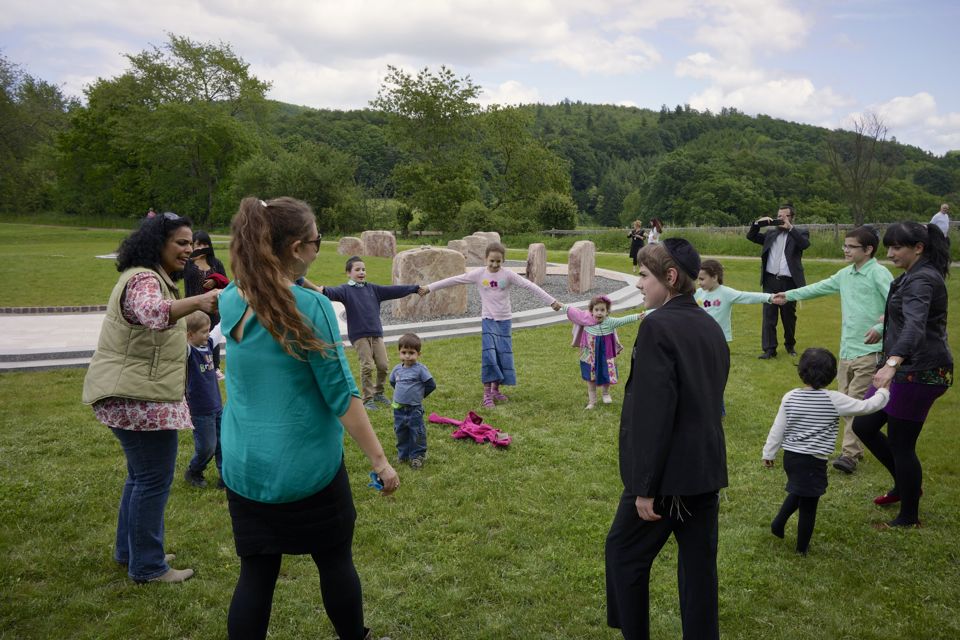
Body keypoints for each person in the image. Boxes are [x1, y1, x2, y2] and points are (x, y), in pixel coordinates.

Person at [219, 197, 397, 640]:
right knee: (335, 562)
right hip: (307, 471)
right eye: (318, 241)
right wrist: (380, 462)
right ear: (298, 247)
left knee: (256, 575)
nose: (320, 249)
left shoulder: (229, 297)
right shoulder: (310, 306)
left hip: (245, 467)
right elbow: (342, 395)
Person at [82, 212, 221, 583]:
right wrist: (199, 300)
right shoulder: (145, 278)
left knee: (140, 477)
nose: (188, 250)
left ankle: (131, 550)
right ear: (156, 243)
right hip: (136, 397)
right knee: (152, 479)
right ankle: (147, 565)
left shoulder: (151, 277)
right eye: (180, 242)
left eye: (191, 243)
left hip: (131, 393)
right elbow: (154, 314)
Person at [605, 238, 729, 640]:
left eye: (643, 275)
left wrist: (644, 488)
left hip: (667, 480)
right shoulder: (709, 325)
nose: (639, 284)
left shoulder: (657, 325)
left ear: (670, 277)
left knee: (624, 555)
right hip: (705, 472)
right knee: (699, 572)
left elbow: (653, 413)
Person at [852, 221, 953, 529]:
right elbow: (904, 315)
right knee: (865, 425)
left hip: (921, 371)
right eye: (889, 247)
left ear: (918, 248)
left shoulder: (923, 280)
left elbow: (916, 325)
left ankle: (909, 515)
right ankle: (905, 485)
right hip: (905, 368)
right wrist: (885, 327)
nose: (891, 253)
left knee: (901, 443)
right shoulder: (913, 275)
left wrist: (892, 362)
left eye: (897, 248)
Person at [772, 226, 893, 474]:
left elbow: (897, 304)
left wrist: (880, 328)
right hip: (846, 351)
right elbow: (818, 288)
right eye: (845, 245)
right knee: (845, 401)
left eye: (851, 246)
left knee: (855, 401)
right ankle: (853, 449)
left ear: (868, 250)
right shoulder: (845, 274)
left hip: (870, 352)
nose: (845, 250)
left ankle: (849, 454)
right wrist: (789, 295)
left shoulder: (879, 274)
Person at [762, 348, 890, 555]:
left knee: (798, 490)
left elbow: (778, 427)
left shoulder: (790, 396)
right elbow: (866, 407)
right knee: (809, 505)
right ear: (832, 375)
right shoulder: (834, 399)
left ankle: (778, 524)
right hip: (812, 462)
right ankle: (801, 549)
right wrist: (883, 391)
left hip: (791, 459)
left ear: (801, 371)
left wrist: (768, 453)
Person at [423, 242, 562, 408]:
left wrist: (552, 301)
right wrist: (429, 288)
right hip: (488, 320)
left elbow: (530, 286)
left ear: (503, 260)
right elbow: (453, 280)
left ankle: (496, 389)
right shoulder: (478, 274)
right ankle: (487, 393)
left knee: (502, 355)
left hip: (504, 321)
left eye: (498, 261)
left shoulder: (508, 275)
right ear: (485, 259)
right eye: (492, 261)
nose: (495, 265)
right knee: (489, 356)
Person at [321, 256, 423, 411]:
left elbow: (394, 290)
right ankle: (367, 399)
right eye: (357, 269)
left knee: (383, 365)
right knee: (367, 366)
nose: (361, 272)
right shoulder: (345, 290)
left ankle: (378, 393)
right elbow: (325, 291)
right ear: (348, 273)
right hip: (359, 335)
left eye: (363, 269)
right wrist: (304, 284)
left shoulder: (373, 289)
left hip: (376, 333)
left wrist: (414, 288)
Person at [746, 203, 810, 359]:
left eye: (784, 216)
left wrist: (790, 228)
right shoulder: (770, 234)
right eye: (778, 215)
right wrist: (757, 224)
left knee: (788, 317)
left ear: (791, 217)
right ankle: (769, 349)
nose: (780, 218)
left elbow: (805, 245)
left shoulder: (800, 233)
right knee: (769, 316)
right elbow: (751, 236)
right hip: (770, 280)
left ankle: (790, 345)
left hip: (789, 282)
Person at [563, 295, 644, 409]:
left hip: (605, 353)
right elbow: (573, 312)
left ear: (607, 312)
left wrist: (637, 316)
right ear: (591, 311)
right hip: (589, 354)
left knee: (607, 372)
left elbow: (623, 319)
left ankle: (605, 393)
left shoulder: (610, 322)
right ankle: (592, 401)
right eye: (596, 310)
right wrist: (561, 306)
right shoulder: (586, 320)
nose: (599, 313)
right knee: (590, 377)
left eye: (602, 310)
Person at [183, 310, 224, 489]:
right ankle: (194, 470)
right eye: (203, 331)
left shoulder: (207, 344)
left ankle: (226, 478)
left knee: (223, 444)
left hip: (216, 406)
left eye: (208, 330)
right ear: (190, 335)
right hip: (200, 410)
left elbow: (218, 330)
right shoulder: (188, 351)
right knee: (207, 446)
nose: (208, 334)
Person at [389, 333, 436, 470]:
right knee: (401, 432)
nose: (407, 356)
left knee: (417, 432)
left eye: (411, 352)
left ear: (418, 354)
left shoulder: (420, 369)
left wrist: (418, 396)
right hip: (398, 409)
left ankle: (417, 456)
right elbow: (393, 383)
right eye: (404, 352)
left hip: (414, 409)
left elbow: (431, 385)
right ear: (399, 352)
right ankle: (403, 455)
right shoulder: (397, 369)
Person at [695, 259, 771, 342]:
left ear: (714, 277)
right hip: (701, 336)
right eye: (698, 279)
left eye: (702, 279)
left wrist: (769, 297)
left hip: (719, 338)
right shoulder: (697, 293)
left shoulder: (726, 293)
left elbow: (747, 296)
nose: (698, 283)